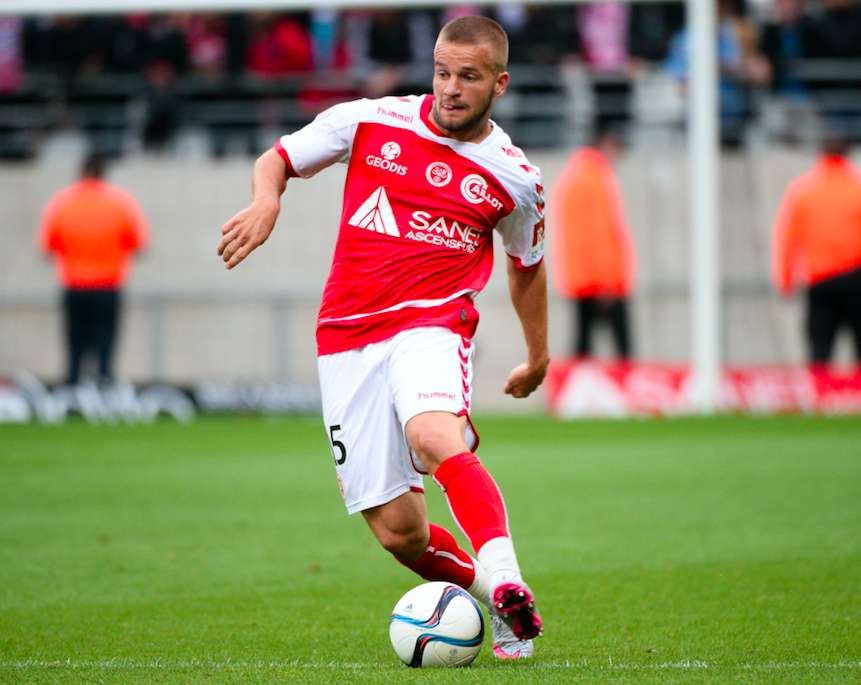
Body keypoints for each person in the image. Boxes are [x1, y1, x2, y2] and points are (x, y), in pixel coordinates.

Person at [218, 16, 546, 660]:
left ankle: (506, 573)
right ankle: (501, 601)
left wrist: (538, 356)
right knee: (400, 533)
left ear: (499, 84)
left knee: (432, 434)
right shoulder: (372, 119)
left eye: (468, 77)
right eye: (442, 72)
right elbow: (278, 159)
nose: (450, 88)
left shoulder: (515, 178)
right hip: (346, 338)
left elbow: (527, 268)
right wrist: (266, 199)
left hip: (432, 325)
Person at [40, 152, 148, 385]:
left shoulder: (63, 203)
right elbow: (138, 244)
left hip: (75, 286)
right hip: (107, 287)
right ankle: (103, 389)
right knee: (105, 349)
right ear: (103, 173)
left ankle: (72, 391)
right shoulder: (120, 203)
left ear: (81, 172)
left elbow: (48, 247)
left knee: (74, 348)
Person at [772, 132, 861, 364]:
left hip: (820, 281)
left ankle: (821, 388)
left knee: (820, 354)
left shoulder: (805, 191)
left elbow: (789, 238)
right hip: (856, 279)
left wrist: (786, 280)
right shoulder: (857, 188)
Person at [550, 126, 635, 361]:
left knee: (582, 345)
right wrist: (606, 281)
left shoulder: (575, 175)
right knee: (621, 349)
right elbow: (598, 234)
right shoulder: (593, 179)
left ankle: (577, 383)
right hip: (600, 279)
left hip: (582, 277)